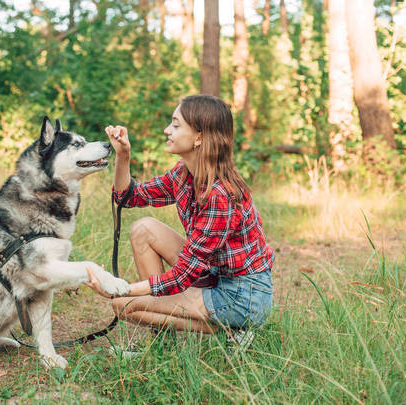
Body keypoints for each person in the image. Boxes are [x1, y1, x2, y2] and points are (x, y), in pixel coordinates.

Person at [85, 95, 274, 343]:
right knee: (144, 228)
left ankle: (232, 329)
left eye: (176, 125)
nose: (167, 130)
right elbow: (128, 197)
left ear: (199, 137)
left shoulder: (221, 195)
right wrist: (123, 156)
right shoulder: (183, 174)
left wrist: (118, 288)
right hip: (214, 274)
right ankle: (164, 343)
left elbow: (181, 277)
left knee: (124, 305)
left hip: (242, 295)